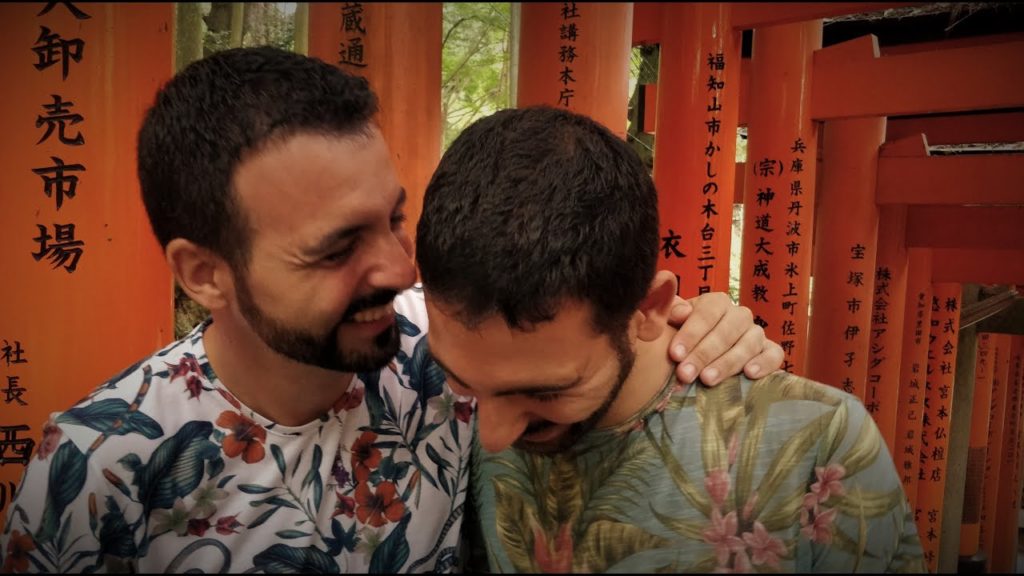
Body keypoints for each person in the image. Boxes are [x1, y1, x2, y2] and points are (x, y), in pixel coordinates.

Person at [0, 47, 782, 574]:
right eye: (338, 248)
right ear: (205, 273)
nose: (402, 268)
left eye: (395, 219)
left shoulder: (446, 358)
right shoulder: (99, 464)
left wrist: (713, 326)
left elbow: (601, 342)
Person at [415, 106, 927, 573]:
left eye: (545, 393)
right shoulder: (432, 401)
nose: (491, 436)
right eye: (462, 380)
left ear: (650, 309)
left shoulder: (820, 443)